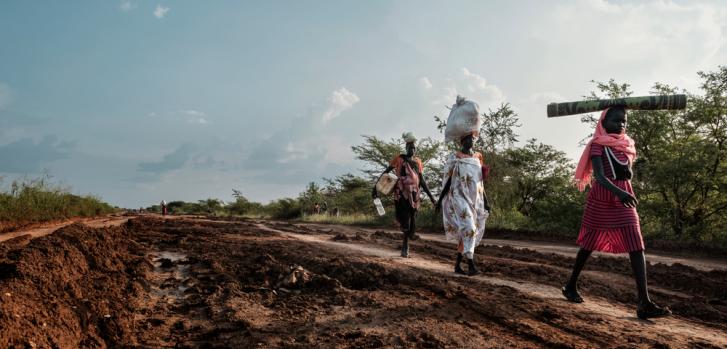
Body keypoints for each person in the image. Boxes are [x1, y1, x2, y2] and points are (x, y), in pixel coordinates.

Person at [562, 106, 671, 320]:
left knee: (636, 244)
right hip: (602, 198)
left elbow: (625, 174)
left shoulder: (627, 145)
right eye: (616, 120)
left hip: (624, 198)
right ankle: (570, 284)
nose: (621, 124)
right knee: (588, 245)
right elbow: (600, 177)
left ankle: (644, 302)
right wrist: (620, 193)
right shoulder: (597, 145)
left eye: (624, 121)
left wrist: (623, 193)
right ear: (603, 123)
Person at [372, 132, 436, 257]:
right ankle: (405, 247)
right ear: (406, 148)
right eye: (410, 147)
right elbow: (386, 172)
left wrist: (432, 197)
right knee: (406, 220)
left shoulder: (418, 162)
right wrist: (375, 187)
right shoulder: (399, 159)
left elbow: (421, 180)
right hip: (401, 194)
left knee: (412, 222)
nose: (412, 149)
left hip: (414, 195)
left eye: (414, 147)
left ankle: (408, 238)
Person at [436, 133, 490, 276]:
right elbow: (448, 180)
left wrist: (486, 201)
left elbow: (480, 182)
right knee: (469, 228)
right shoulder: (455, 158)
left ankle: (457, 265)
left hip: (475, 198)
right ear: (462, 141)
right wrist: (440, 199)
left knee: (464, 232)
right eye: (467, 139)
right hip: (458, 197)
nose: (470, 141)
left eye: (472, 138)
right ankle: (471, 265)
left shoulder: (478, 157)